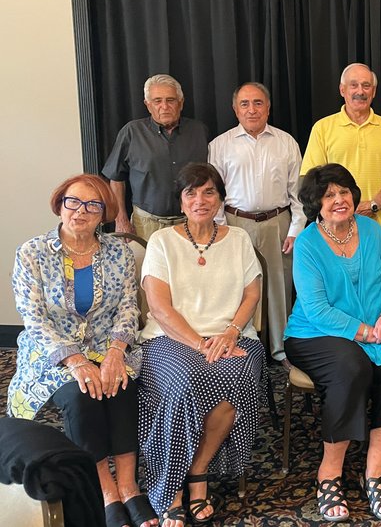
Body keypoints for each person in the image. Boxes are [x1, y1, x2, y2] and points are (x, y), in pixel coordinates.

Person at [7, 174, 158, 527]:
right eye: (73, 202)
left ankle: (129, 487)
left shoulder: (118, 251)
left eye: (93, 205)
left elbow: (127, 307)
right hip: (52, 353)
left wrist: (117, 352)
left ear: (104, 213)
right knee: (82, 396)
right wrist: (75, 361)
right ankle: (105, 491)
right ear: (60, 204)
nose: (81, 211)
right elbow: (34, 318)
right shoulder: (32, 253)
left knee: (122, 387)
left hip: (108, 345)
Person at [284, 164, 381, 522]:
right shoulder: (308, 243)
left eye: (343, 192)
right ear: (316, 204)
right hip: (314, 333)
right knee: (351, 367)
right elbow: (317, 309)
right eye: (328, 195)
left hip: (374, 327)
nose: (339, 200)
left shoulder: (371, 230)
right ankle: (329, 474)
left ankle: (374, 472)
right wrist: (371, 333)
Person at [138, 163, 264, 527]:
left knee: (237, 378)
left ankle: (197, 474)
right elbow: (159, 308)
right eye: (191, 192)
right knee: (184, 383)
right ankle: (172, 488)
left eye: (209, 192)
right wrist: (200, 343)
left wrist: (230, 332)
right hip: (171, 339)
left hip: (233, 337)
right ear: (180, 199)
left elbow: (252, 293)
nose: (200, 200)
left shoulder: (238, 239)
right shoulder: (162, 242)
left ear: (221, 198)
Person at [208, 82, 306, 362]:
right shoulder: (220, 145)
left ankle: (281, 350)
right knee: (235, 288)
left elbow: (297, 192)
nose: (252, 110)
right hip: (234, 223)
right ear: (235, 109)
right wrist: (220, 231)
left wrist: (295, 230)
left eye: (258, 103)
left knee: (279, 288)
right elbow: (214, 193)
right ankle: (242, 347)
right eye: (245, 104)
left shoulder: (286, 142)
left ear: (268, 106)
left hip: (278, 223)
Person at [301, 63, 381, 263]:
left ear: (374, 91)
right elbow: (312, 179)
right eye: (354, 85)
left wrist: (373, 205)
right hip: (333, 233)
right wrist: (341, 206)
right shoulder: (322, 128)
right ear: (342, 89)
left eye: (366, 85)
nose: (360, 91)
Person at [102, 74, 209, 240]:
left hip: (191, 222)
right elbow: (116, 178)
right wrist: (121, 219)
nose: (164, 106)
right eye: (157, 101)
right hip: (146, 224)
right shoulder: (131, 132)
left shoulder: (199, 131)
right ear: (148, 105)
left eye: (170, 100)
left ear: (181, 103)